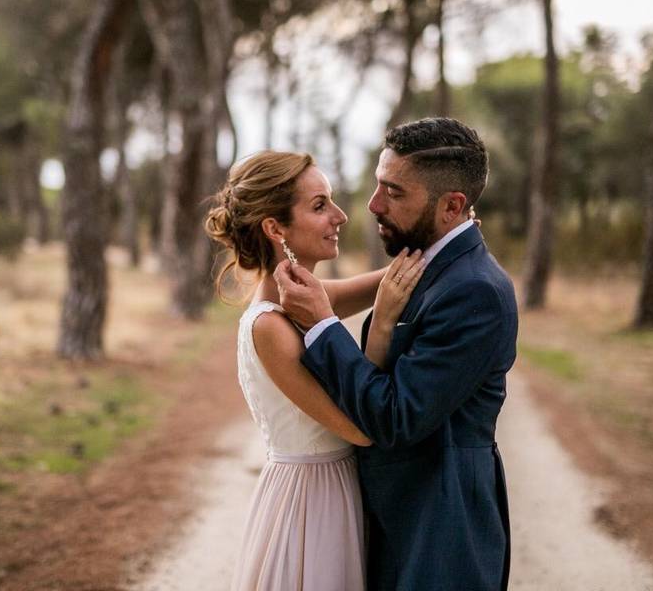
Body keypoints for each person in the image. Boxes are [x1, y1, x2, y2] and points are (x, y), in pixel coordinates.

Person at [275, 117, 518, 591]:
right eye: (376, 185)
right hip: (392, 519)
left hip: (441, 529)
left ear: (452, 207)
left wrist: (323, 326)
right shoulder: (426, 262)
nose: (372, 205)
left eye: (395, 192)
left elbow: (396, 417)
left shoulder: (475, 291)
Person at [204, 150, 427, 591]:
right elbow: (360, 428)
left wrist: (443, 243)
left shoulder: (303, 296)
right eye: (320, 205)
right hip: (310, 504)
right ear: (275, 228)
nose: (340, 216)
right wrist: (380, 325)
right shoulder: (269, 325)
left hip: (336, 491)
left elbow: (391, 279)